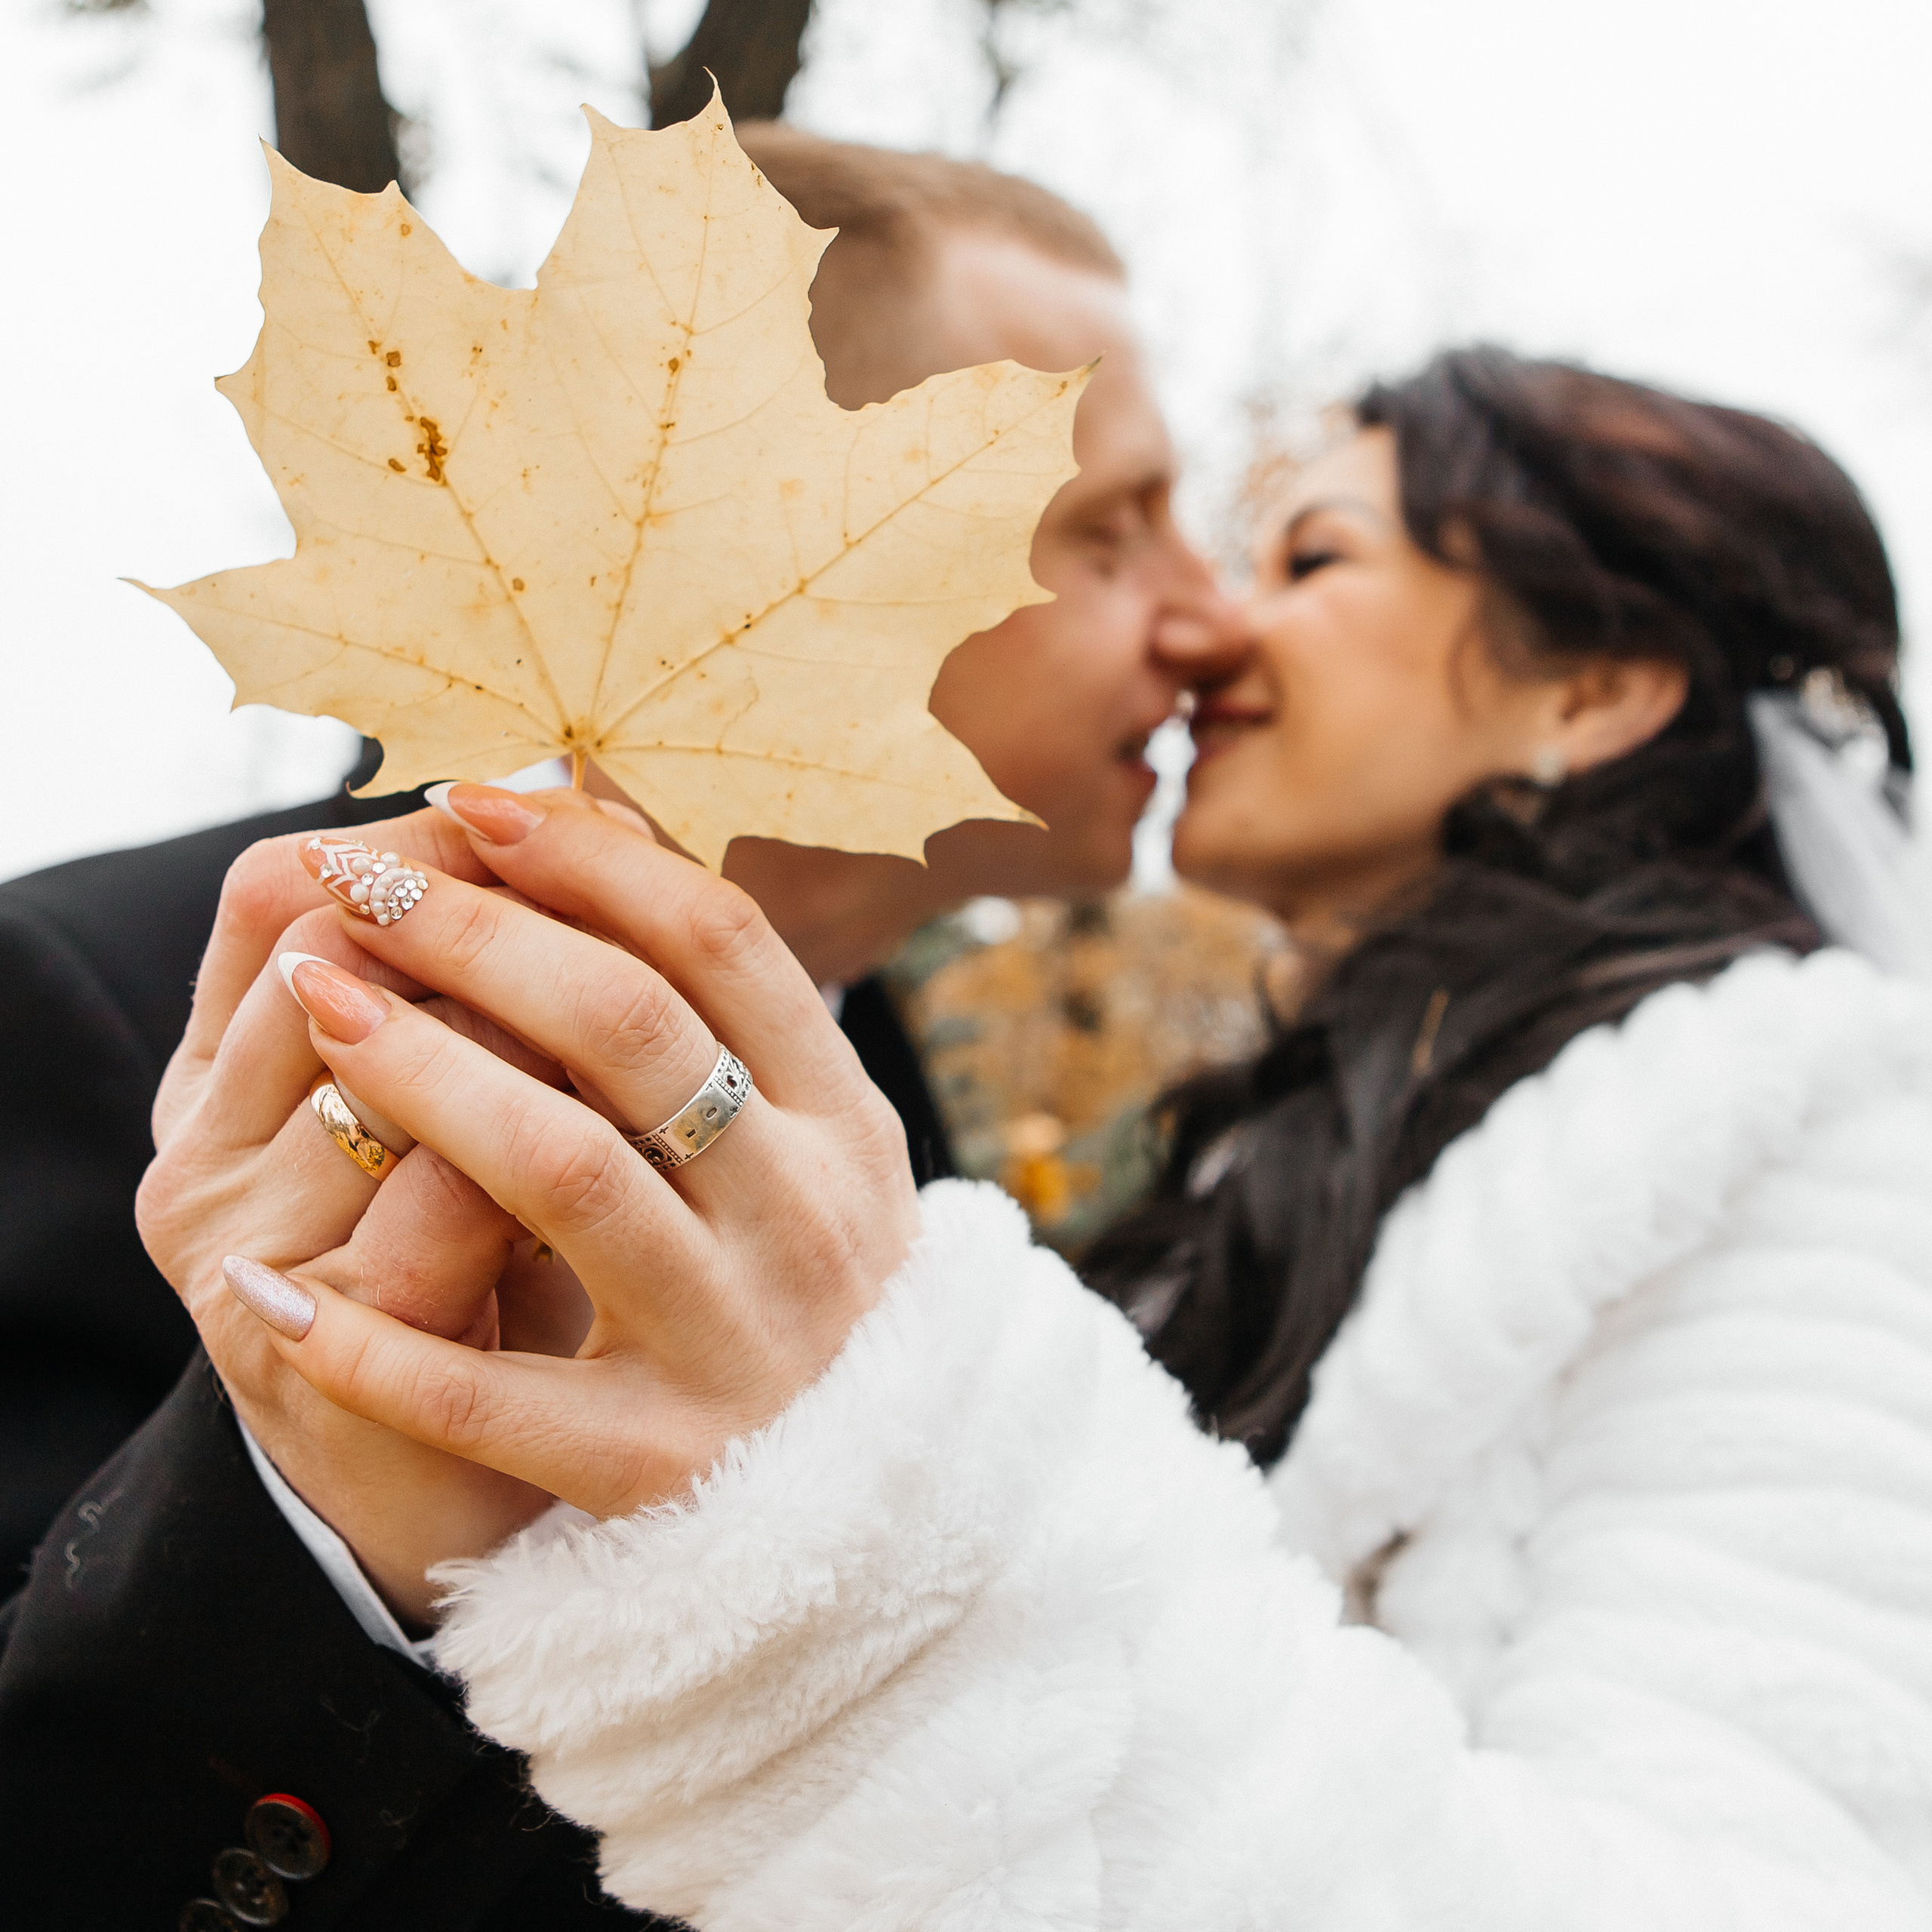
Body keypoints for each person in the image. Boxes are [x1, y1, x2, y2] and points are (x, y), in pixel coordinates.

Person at [200, 348, 1930, 1924]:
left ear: (1589, 692)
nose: (1216, 628)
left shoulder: (1816, 1136)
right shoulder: (1303, 1148)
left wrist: (856, 1536)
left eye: (1311, 557)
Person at [0, 128, 1235, 1927]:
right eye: (1110, 526)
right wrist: (327, 1542)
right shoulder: (82, 998)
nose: (1209, 613)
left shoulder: (884, 1112)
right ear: (789, 563)